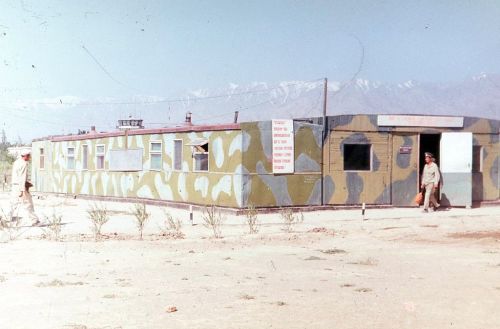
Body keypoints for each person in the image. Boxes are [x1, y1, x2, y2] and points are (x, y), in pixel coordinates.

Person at [10, 149, 40, 225]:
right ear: (26, 156)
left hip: (14, 186)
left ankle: (5, 219)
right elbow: (22, 177)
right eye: (29, 156)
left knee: (13, 204)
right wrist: (22, 190)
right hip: (20, 187)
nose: (30, 157)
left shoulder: (16, 162)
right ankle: (34, 221)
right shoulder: (24, 164)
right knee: (28, 203)